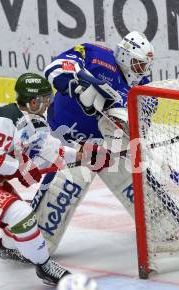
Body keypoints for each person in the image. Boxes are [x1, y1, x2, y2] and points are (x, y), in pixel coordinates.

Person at [0, 73, 108, 286]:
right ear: (33, 101)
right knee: (22, 216)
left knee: (20, 227)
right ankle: (45, 266)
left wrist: (84, 155)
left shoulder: (35, 123)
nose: (48, 103)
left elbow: (50, 152)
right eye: (45, 98)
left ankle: (7, 247)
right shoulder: (6, 118)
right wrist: (23, 167)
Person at [31, 31, 156, 254]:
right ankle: (29, 241)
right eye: (138, 65)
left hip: (107, 148)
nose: (143, 71)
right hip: (68, 140)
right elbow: (54, 68)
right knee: (57, 195)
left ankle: (162, 226)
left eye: (145, 65)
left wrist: (120, 121)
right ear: (125, 57)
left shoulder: (145, 86)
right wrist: (78, 85)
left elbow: (142, 125)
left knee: (155, 209)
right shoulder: (94, 55)